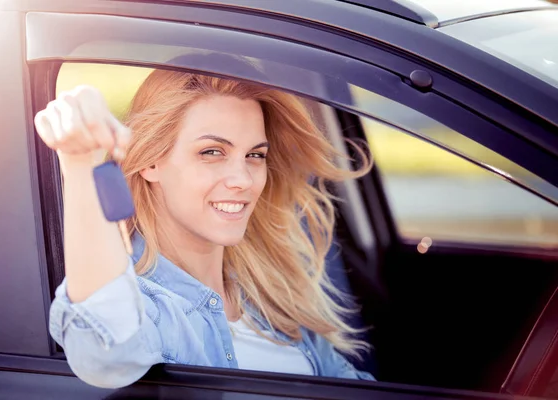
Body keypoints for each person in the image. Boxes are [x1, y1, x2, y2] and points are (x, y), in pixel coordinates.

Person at [36, 68, 374, 389]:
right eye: (212, 152)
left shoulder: (274, 294)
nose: (243, 180)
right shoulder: (147, 307)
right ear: (152, 161)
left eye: (255, 155)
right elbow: (104, 356)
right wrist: (83, 162)